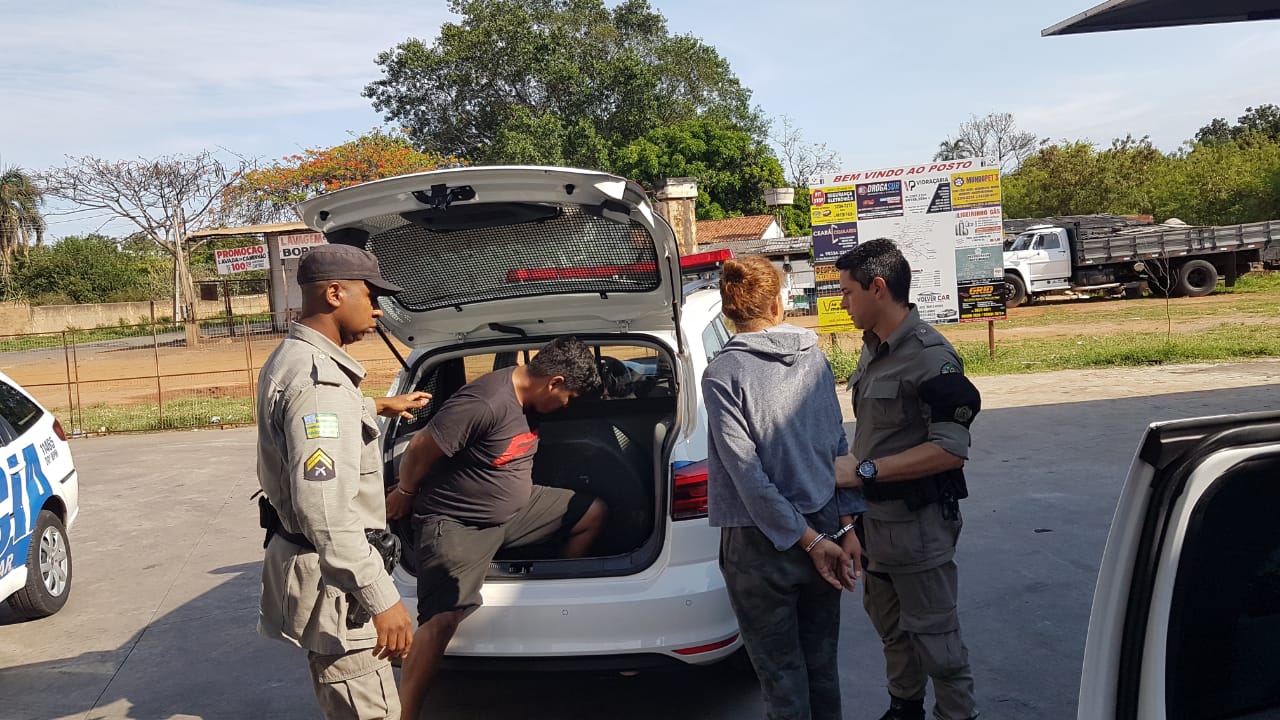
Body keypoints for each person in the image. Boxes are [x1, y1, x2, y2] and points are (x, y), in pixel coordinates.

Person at [384, 336, 607, 717]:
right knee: (440, 621)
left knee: (592, 513)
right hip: (459, 520)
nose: (567, 405)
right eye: (568, 396)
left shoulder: (529, 399)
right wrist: (405, 491)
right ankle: (405, 715)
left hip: (517, 510)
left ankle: (552, 600)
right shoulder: (486, 403)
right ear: (553, 382)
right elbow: (422, 447)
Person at [255, 243, 431, 720]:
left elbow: (318, 424)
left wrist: (377, 406)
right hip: (340, 586)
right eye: (370, 295)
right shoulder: (320, 385)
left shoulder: (299, 359)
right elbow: (324, 510)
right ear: (335, 293)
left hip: (322, 568)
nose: (377, 308)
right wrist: (381, 596)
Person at [701, 255, 864, 720]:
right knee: (821, 668)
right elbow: (839, 446)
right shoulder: (814, 358)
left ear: (729, 310)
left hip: (759, 544)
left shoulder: (723, 374)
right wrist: (846, 526)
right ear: (777, 303)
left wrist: (810, 540)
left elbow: (747, 475)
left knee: (781, 677)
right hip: (826, 527)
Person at [833, 238, 982, 720]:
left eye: (847, 292)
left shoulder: (930, 357)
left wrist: (866, 472)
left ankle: (958, 714)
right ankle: (905, 708)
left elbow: (949, 450)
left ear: (878, 288)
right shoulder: (873, 350)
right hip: (876, 526)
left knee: (936, 640)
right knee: (893, 632)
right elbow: (875, 435)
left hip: (918, 528)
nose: (842, 303)